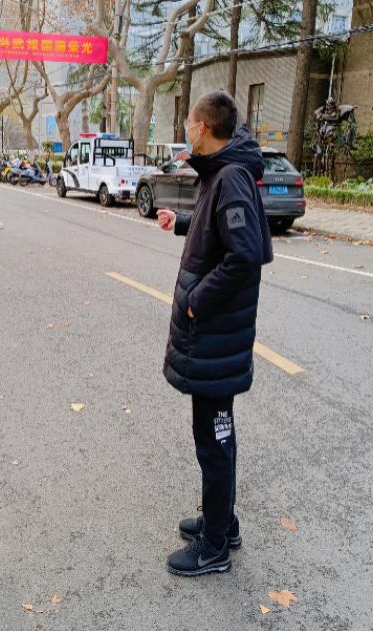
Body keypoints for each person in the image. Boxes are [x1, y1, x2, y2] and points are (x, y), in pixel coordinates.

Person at [159, 91, 273, 578]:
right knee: (213, 435)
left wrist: (196, 300)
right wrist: (183, 221)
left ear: (202, 127)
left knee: (214, 439)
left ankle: (214, 546)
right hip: (214, 338)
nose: (186, 129)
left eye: (188, 122)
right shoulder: (223, 172)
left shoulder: (230, 176)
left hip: (215, 335)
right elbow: (222, 231)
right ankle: (222, 522)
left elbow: (244, 255)